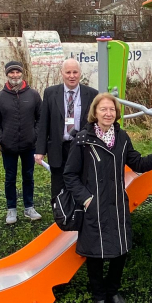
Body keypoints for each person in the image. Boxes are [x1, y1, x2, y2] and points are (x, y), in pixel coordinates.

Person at [63, 93, 152, 303]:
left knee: (121, 250)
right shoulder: (83, 140)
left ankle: (113, 291)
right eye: (103, 109)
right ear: (95, 113)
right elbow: (70, 175)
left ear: (117, 114)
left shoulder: (123, 137)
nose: (108, 114)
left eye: (112, 110)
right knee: (95, 254)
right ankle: (99, 297)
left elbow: (138, 163)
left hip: (117, 203)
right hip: (94, 205)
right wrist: (86, 199)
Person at [35, 58, 98, 207]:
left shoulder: (91, 94)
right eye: (68, 72)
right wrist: (40, 150)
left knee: (81, 181)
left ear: (80, 73)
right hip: (58, 146)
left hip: (81, 147)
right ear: (62, 73)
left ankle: (80, 213)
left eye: (75, 72)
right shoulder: (51, 93)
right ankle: (60, 214)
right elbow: (44, 122)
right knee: (58, 184)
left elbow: (95, 123)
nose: (72, 76)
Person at [0, 61, 43, 224]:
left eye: (17, 72)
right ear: (7, 75)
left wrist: (35, 135)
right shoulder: (0, 97)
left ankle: (29, 207)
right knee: (10, 178)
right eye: (11, 73)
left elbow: (41, 117)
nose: (15, 75)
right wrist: (1, 138)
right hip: (9, 146)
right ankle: (11, 209)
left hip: (29, 145)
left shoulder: (33, 95)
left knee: (28, 176)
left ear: (22, 74)